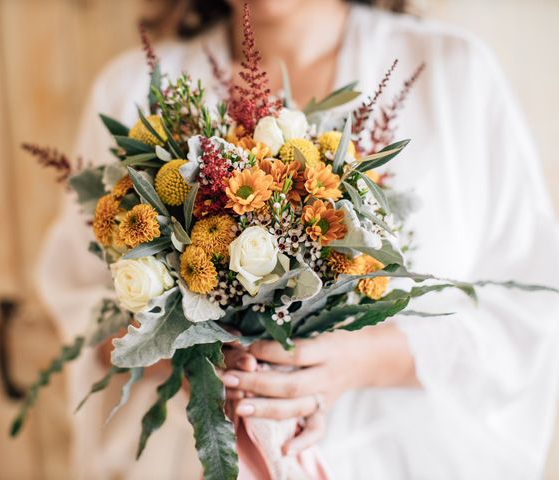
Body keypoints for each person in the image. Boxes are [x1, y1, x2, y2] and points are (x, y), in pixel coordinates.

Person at [37, 0, 559, 478]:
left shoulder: (451, 75)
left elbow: (529, 305)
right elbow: (82, 312)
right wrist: (187, 350)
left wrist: (367, 357)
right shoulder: (133, 88)